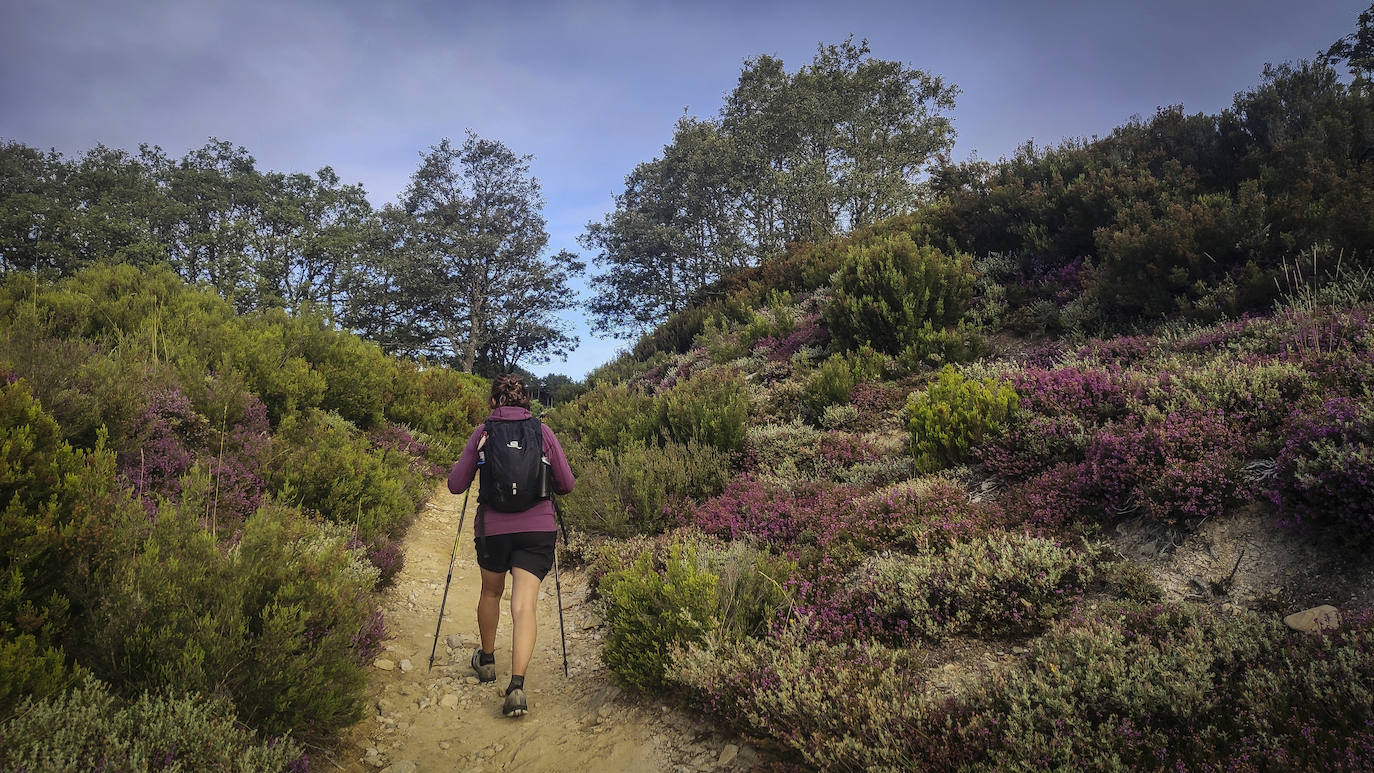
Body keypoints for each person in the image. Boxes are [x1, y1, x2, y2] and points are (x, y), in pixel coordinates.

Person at [448, 374, 574, 718]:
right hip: (537, 530)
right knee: (524, 605)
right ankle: (517, 687)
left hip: (493, 530)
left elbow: (456, 485)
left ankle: (487, 661)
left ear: (493, 402)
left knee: (491, 592)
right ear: (526, 401)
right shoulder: (542, 432)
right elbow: (567, 484)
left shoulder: (484, 431)